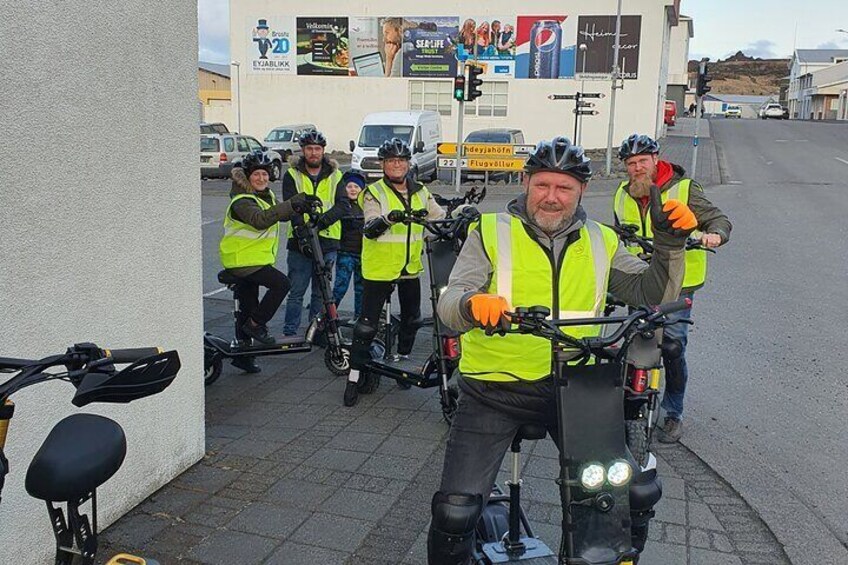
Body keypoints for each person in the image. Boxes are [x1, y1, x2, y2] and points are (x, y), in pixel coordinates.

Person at [427, 136, 698, 564]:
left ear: (581, 191)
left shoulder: (601, 240)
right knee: (455, 512)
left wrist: (669, 245)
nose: (551, 198)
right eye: (542, 186)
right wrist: (469, 304)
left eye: (564, 188)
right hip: (494, 390)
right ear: (526, 181)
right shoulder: (492, 231)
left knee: (632, 492)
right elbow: (450, 300)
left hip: (575, 390)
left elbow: (652, 292)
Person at [613, 134, 731, 443]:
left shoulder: (684, 189)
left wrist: (713, 235)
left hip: (679, 283)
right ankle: (629, 404)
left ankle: (674, 411)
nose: (637, 168)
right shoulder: (622, 194)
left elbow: (718, 219)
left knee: (673, 346)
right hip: (640, 279)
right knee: (632, 339)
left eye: (642, 161)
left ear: (655, 159)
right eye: (631, 163)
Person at [343, 138, 446, 407]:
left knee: (413, 319)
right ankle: (354, 377)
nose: (396, 165)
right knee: (367, 326)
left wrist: (461, 213)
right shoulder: (373, 192)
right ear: (383, 164)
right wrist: (388, 219)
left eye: (401, 160)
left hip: (409, 267)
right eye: (391, 161)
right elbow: (370, 226)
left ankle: (402, 359)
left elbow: (438, 218)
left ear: (408, 164)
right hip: (380, 269)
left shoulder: (421, 190)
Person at [220, 151, 320, 370]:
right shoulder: (242, 201)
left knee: (248, 304)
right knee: (282, 284)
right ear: (247, 176)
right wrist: (293, 204)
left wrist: (301, 206)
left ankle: (243, 355)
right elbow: (260, 220)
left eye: (265, 175)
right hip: (242, 261)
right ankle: (256, 325)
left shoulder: (265, 197)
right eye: (256, 174)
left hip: (253, 260)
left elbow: (280, 213)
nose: (262, 179)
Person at [281, 130, 348, 336]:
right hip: (300, 241)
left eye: (317, 149)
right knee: (297, 290)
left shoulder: (336, 175)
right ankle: (290, 332)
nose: (313, 153)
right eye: (309, 149)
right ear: (303, 151)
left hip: (327, 240)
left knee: (321, 292)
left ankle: (315, 331)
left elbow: (342, 205)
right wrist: (304, 231)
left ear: (323, 151)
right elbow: (290, 206)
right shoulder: (292, 174)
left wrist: (321, 221)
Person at [332, 170, 367, 319]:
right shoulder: (342, 206)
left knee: (361, 290)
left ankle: (359, 318)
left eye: (356, 187)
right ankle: (329, 318)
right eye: (349, 186)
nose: (353, 189)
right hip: (345, 253)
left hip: (363, 254)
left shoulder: (367, 207)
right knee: (340, 288)